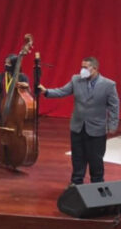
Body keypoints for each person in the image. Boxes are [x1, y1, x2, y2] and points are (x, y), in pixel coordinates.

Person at [38, 57, 119, 185]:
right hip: (77, 127)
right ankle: (76, 182)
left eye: (86, 67)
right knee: (77, 157)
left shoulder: (108, 85)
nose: (82, 70)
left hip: (96, 129)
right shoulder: (76, 80)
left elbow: (114, 106)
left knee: (95, 159)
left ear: (95, 69)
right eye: (82, 67)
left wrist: (112, 125)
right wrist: (46, 91)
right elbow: (62, 91)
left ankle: (97, 185)